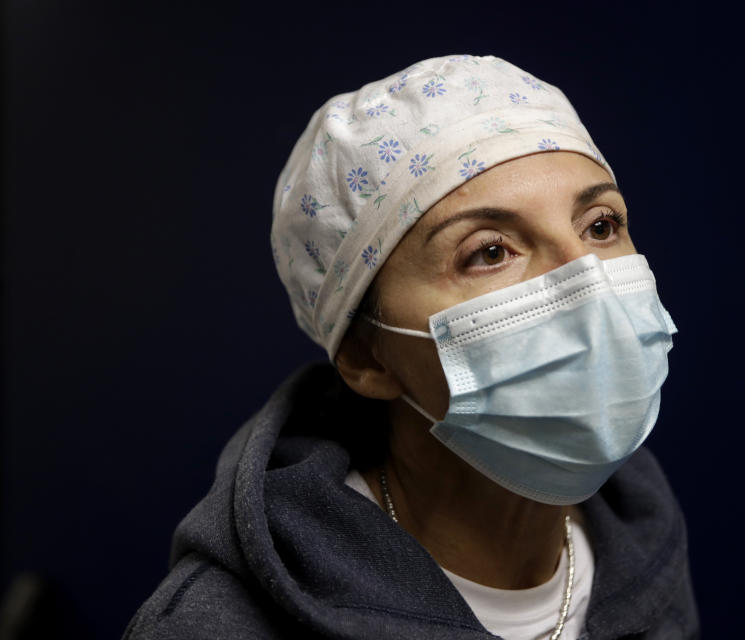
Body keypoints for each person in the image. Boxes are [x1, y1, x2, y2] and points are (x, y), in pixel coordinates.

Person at [124, 54, 698, 640]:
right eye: (490, 251)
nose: (589, 282)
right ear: (367, 357)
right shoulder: (214, 627)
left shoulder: (641, 555)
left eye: (600, 226)